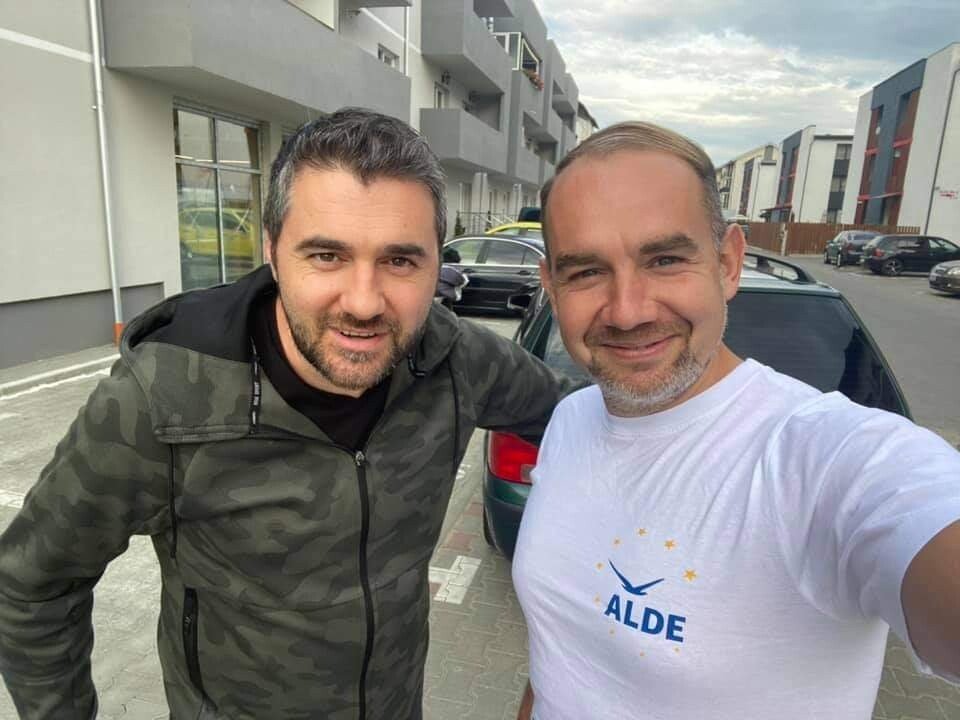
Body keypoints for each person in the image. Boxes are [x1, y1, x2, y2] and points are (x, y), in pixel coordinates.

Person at [0, 108, 570, 720]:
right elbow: (33, 584)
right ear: (272, 250)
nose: (363, 302)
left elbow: (577, 416)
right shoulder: (164, 395)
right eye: (326, 255)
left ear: (438, 262)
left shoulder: (459, 361)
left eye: (400, 261)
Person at [512, 121, 960, 719]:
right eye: (586, 271)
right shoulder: (571, 419)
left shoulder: (822, 457)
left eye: (665, 259)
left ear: (727, 263)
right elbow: (559, 657)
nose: (627, 311)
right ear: (551, 285)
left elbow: (919, 513)